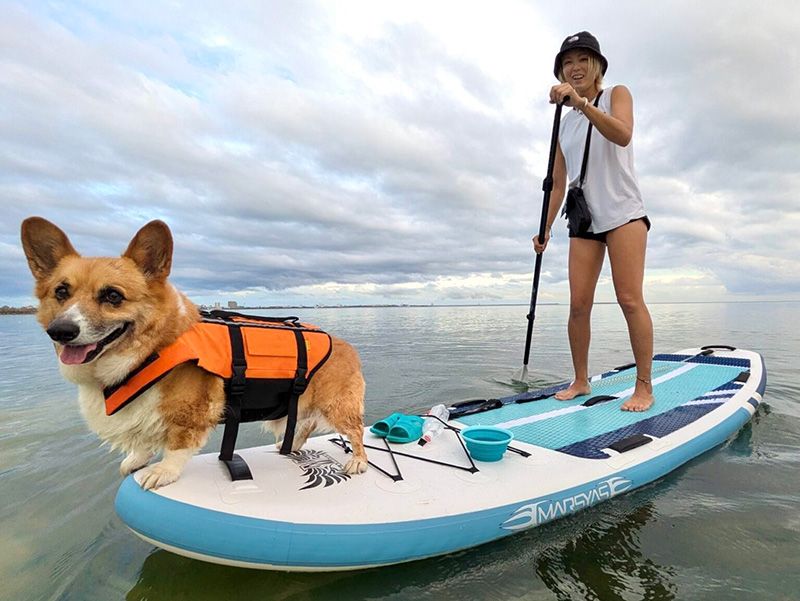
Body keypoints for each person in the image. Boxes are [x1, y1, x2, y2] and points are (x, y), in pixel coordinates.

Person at [533, 31, 654, 411]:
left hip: (623, 213)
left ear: (597, 64)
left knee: (629, 298)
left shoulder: (617, 93)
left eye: (583, 59)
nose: (575, 67)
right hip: (584, 217)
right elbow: (557, 183)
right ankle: (581, 380)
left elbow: (622, 134)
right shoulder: (563, 124)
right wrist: (546, 227)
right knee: (578, 304)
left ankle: (644, 387)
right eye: (567, 62)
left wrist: (583, 104)